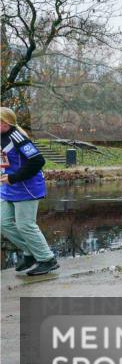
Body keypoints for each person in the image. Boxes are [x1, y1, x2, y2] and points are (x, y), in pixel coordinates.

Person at [0, 107, 59, 276]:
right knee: (3, 223)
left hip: (26, 187)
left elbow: (38, 161)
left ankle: (47, 259)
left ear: (5, 123)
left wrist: (14, 178)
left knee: (25, 225)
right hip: (7, 188)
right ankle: (31, 253)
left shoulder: (18, 138)